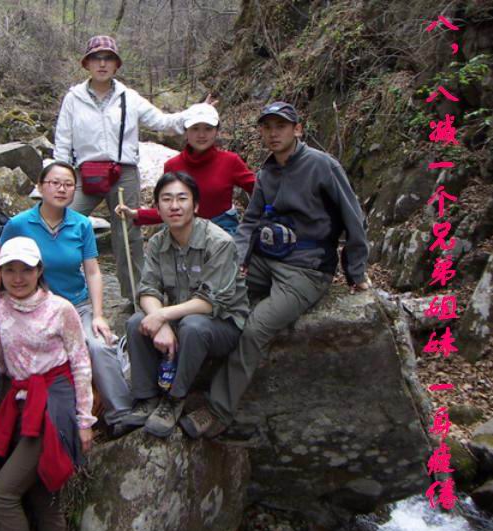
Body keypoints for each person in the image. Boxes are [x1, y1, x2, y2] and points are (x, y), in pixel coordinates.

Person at [179, 101, 371, 439]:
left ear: (297, 129)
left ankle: (218, 410)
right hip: (265, 260)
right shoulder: (267, 172)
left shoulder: (322, 165)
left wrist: (355, 271)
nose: (273, 133)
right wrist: (237, 260)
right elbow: (250, 221)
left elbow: (353, 218)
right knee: (213, 293)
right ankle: (178, 381)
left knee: (255, 328)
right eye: (267, 127)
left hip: (307, 268)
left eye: (280, 126)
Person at [54, 35, 210, 303]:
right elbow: (63, 139)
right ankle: (59, 290)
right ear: (87, 64)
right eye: (96, 58)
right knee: (60, 222)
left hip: (123, 173)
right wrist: (59, 176)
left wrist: (198, 112)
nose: (102, 64)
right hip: (84, 173)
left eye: (108, 58)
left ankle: (138, 297)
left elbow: (163, 122)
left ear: (116, 65)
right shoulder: (73, 98)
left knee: (127, 234)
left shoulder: (129, 97)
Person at [0, 161, 132, 437]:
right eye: (55, 183)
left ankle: (121, 413)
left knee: (98, 345)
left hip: (76, 305)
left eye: (68, 184)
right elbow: (0, 262)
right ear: (40, 187)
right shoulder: (18, 224)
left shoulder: (81, 224)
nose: (62, 189)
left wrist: (98, 315)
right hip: (32, 306)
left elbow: (92, 271)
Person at [120, 171, 249, 438]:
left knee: (192, 326)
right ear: (158, 208)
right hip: (182, 315)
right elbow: (147, 290)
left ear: (196, 205)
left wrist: (163, 316)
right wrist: (161, 322)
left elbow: (210, 302)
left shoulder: (219, 242)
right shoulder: (158, 242)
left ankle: (175, 399)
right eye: (166, 199)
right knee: (136, 322)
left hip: (221, 323)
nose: (174, 206)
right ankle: (147, 397)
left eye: (182, 198)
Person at [0, 236, 95, 531]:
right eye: (9, 270)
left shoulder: (60, 309)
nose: (18, 278)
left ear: (39, 271)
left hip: (53, 402)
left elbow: (80, 362)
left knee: (3, 495)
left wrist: (84, 420)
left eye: (26, 269)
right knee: (43, 496)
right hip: (20, 400)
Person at [115, 103, 255, 235]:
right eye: (195, 128)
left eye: (208, 128)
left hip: (222, 230)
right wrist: (135, 214)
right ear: (185, 131)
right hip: (182, 232)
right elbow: (168, 210)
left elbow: (259, 190)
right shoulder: (173, 166)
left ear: (216, 131)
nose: (201, 135)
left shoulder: (230, 161)